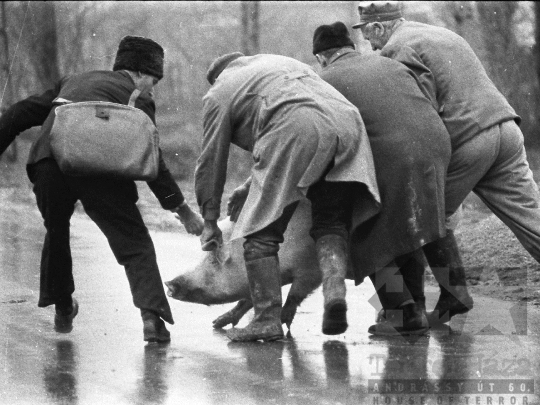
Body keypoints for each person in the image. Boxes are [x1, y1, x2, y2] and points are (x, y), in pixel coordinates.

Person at [0, 35, 204, 342]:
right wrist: (183, 210)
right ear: (140, 73)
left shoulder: (73, 80)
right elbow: (152, 160)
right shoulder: (140, 98)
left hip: (50, 163)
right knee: (133, 241)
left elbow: (18, 114)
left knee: (56, 231)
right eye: (154, 80)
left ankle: (64, 306)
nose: (153, 88)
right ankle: (152, 320)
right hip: (102, 171)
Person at [352, 0, 539, 324]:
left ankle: (405, 313)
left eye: (369, 36)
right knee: (531, 220)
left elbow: (418, 112)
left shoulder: (396, 50)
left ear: (379, 27)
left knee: (415, 217)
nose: (370, 45)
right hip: (506, 130)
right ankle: (450, 296)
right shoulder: (440, 34)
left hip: (468, 141)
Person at [196, 52, 381, 341]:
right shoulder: (277, 63)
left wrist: (209, 219)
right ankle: (334, 293)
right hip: (347, 124)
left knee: (259, 233)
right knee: (331, 222)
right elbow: (301, 114)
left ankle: (267, 319)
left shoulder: (219, 91)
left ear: (215, 78)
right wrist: (250, 185)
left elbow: (211, 160)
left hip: (295, 131)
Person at [312, 22, 451, 335]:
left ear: (322, 57)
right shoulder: (387, 62)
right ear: (351, 46)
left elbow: (325, 135)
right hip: (436, 144)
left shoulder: (323, 80)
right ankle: (413, 304)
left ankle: (401, 312)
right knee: (410, 227)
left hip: (394, 155)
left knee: (365, 230)